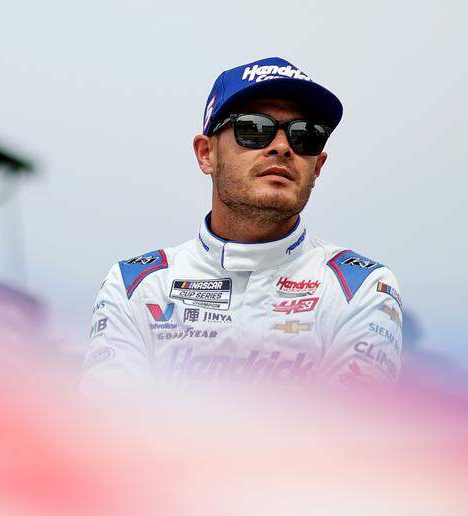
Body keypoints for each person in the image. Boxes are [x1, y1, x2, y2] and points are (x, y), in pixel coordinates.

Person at [83, 57, 403, 388]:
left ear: (318, 166)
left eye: (305, 135)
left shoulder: (361, 286)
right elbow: (108, 430)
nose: (282, 147)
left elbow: (350, 434)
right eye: (254, 128)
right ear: (206, 153)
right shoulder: (135, 285)